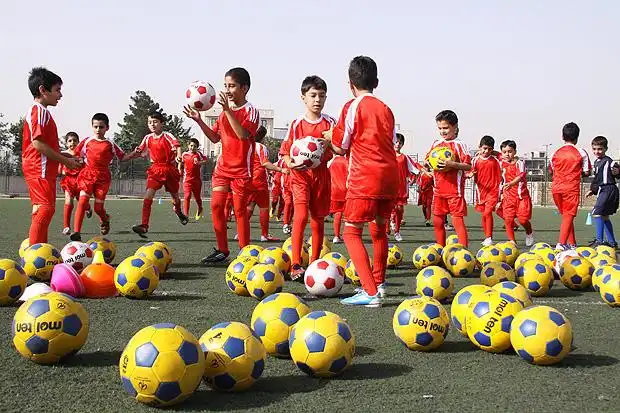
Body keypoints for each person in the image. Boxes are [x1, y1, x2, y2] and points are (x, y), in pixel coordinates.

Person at [324, 55, 398, 307]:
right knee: (378, 230)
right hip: (390, 176)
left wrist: (327, 136)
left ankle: (370, 291)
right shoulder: (386, 108)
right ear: (376, 81)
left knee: (351, 232)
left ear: (350, 84)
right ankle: (380, 284)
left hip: (365, 177)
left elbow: (340, 147)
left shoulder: (352, 106)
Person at [184, 67, 260, 263]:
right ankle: (222, 250)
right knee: (217, 206)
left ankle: (245, 252)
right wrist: (199, 121)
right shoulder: (222, 112)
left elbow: (243, 135)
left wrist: (227, 110)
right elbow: (216, 138)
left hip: (242, 169)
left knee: (239, 210)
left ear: (245, 88)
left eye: (232, 86)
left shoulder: (251, 111)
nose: (227, 90)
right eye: (225, 85)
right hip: (223, 168)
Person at [280, 75, 335, 280]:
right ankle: (295, 264)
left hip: (321, 176)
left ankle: (313, 263)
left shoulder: (331, 123)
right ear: (303, 97)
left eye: (322, 96)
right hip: (300, 176)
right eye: (313, 95)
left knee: (318, 219)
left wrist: (329, 144)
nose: (317, 100)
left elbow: (339, 149)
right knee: (301, 216)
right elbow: (285, 152)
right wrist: (289, 162)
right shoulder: (296, 124)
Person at [22, 67, 81, 245]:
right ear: (42, 90)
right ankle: (33, 253)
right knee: (45, 208)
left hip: (42, 167)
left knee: (43, 209)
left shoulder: (43, 112)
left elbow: (46, 145)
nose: (60, 95)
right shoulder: (38, 111)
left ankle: (41, 249)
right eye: (57, 90)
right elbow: (38, 144)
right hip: (37, 167)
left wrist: (65, 155)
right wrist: (66, 162)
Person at [70, 113, 137, 241]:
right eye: (95, 127)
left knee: (98, 208)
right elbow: (76, 154)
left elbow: (122, 157)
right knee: (83, 201)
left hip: (103, 177)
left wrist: (135, 153)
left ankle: (105, 219)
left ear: (107, 128)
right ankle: (76, 232)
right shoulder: (87, 141)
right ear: (92, 127)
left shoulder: (110, 144)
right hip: (87, 175)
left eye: (101, 127)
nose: (98, 130)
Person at [131, 112, 188, 238]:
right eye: (150, 122)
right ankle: (144, 225)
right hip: (155, 169)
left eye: (155, 122)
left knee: (175, 198)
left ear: (162, 123)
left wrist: (178, 155)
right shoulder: (147, 138)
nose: (152, 124)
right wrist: (134, 153)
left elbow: (177, 145)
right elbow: (141, 150)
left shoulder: (167, 135)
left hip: (169, 169)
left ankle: (178, 211)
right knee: (148, 196)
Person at [425, 110, 472, 247]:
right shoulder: (435, 144)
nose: (442, 131)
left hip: (454, 191)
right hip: (438, 190)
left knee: (457, 221)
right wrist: (427, 164)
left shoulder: (460, 145)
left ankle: (464, 250)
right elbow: (427, 161)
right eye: (439, 128)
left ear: (455, 127)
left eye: (445, 128)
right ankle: (440, 248)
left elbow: (468, 166)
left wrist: (452, 164)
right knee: (437, 221)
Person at [549, 122, 591, 250]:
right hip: (571, 189)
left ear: (562, 136)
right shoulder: (581, 152)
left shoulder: (555, 152)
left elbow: (551, 170)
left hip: (556, 189)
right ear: (577, 137)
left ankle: (572, 244)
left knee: (567, 217)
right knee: (568, 216)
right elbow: (587, 171)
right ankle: (561, 244)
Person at [247, 126, 287, 241]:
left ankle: (241, 233)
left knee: (250, 206)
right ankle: (264, 235)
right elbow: (264, 163)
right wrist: (280, 169)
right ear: (262, 136)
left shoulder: (247, 146)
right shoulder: (260, 147)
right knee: (264, 207)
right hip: (259, 180)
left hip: (248, 179)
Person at [498, 140, 535, 246]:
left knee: (523, 220)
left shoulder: (520, 163)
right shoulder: (501, 163)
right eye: (504, 152)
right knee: (508, 219)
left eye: (510, 151)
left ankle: (529, 233)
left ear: (515, 152)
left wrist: (511, 183)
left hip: (522, 197)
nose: (507, 154)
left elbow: (520, 176)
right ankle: (512, 241)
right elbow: (496, 154)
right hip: (508, 197)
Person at [586, 136, 619, 248]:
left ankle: (599, 241)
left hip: (609, 189)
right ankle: (612, 242)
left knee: (596, 212)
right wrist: (592, 190)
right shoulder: (596, 162)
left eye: (600, 149)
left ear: (605, 149)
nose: (597, 151)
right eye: (594, 149)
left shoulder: (609, 161)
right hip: (602, 190)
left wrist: (617, 172)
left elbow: (616, 169)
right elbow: (597, 179)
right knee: (604, 216)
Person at [470, 135, 502, 246]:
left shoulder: (496, 161)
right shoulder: (475, 160)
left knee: (487, 213)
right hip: (481, 192)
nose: (486, 151)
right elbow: (470, 171)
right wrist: (469, 174)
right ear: (479, 147)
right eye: (484, 148)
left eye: (489, 149)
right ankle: (487, 237)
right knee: (484, 215)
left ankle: (489, 237)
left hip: (493, 191)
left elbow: (504, 155)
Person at [59, 132, 91, 234]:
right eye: (70, 141)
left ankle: (88, 208)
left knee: (81, 201)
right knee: (68, 201)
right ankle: (66, 226)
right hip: (68, 181)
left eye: (75, 140)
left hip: (80, 181)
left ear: (78, 142)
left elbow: (86, 166)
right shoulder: (63, 154)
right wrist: (61, 171)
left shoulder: (82, 154)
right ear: (66, 143)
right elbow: (59, 167)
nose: (72, 142)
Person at [391, 133, 419, 242]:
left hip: (401, 189)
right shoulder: (387, 155)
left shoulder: (405, 157)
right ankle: (387, 229)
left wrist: (413, 180)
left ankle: (397, 232)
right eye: (396, 142)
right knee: (388, 210)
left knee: (399, 209)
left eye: (400, 143)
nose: (398, 144)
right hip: (388, 188)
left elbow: (416, 170)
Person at [180, 138, 209, 220]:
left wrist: (199, 162)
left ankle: (200, 208)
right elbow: (181, 163)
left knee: (197, 197)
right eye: (191, 145)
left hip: (197, 180)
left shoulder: (198, 154)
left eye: (195, 146)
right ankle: (185, 215)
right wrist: (179, 169)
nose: (192, 147)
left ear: (197, 147)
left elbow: (206, 160)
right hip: (187, 180)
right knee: (187, 196)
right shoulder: (184, 154)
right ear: (188, 146)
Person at [328, 154, 348, 243]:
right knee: (348, 214)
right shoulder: (346, 160)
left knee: (338, 213)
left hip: (334, 190)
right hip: (346, 190)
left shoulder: (331, 162)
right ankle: (348, 235)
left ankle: (336, 236)